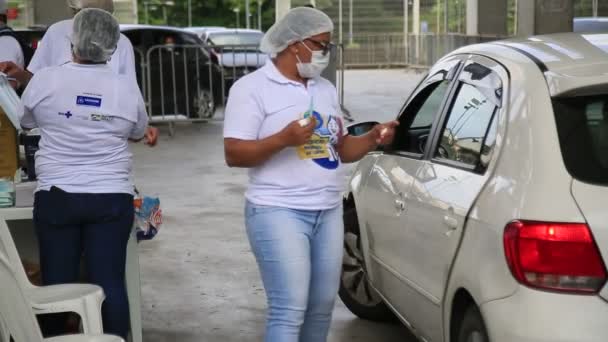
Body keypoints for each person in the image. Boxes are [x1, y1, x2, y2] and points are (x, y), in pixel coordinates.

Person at [223, 7, 398, 342]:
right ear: (293, 44)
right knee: (289, 308)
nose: (325, 54)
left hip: (327, 210)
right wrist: (283, 139)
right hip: (278, 210)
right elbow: (234, 153)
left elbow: (341, 148)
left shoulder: (324, 89)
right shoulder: (252, 89)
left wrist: (373, 138)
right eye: (320, 45)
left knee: (320, 307)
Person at [18, 8, 151, 339]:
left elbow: (26, 122)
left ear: (71, 41)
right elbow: (138, 131)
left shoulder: (46, 80)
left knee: (57, 286)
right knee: (109, 283)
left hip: (57, 196)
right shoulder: (126, 88)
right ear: (113, 45)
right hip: (111, 198)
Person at [0, 0, 158, 146]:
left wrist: (140, 126)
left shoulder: (121, 42)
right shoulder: (56, 33)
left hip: (75, 142)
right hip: (92, 143)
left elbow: (26, 120)